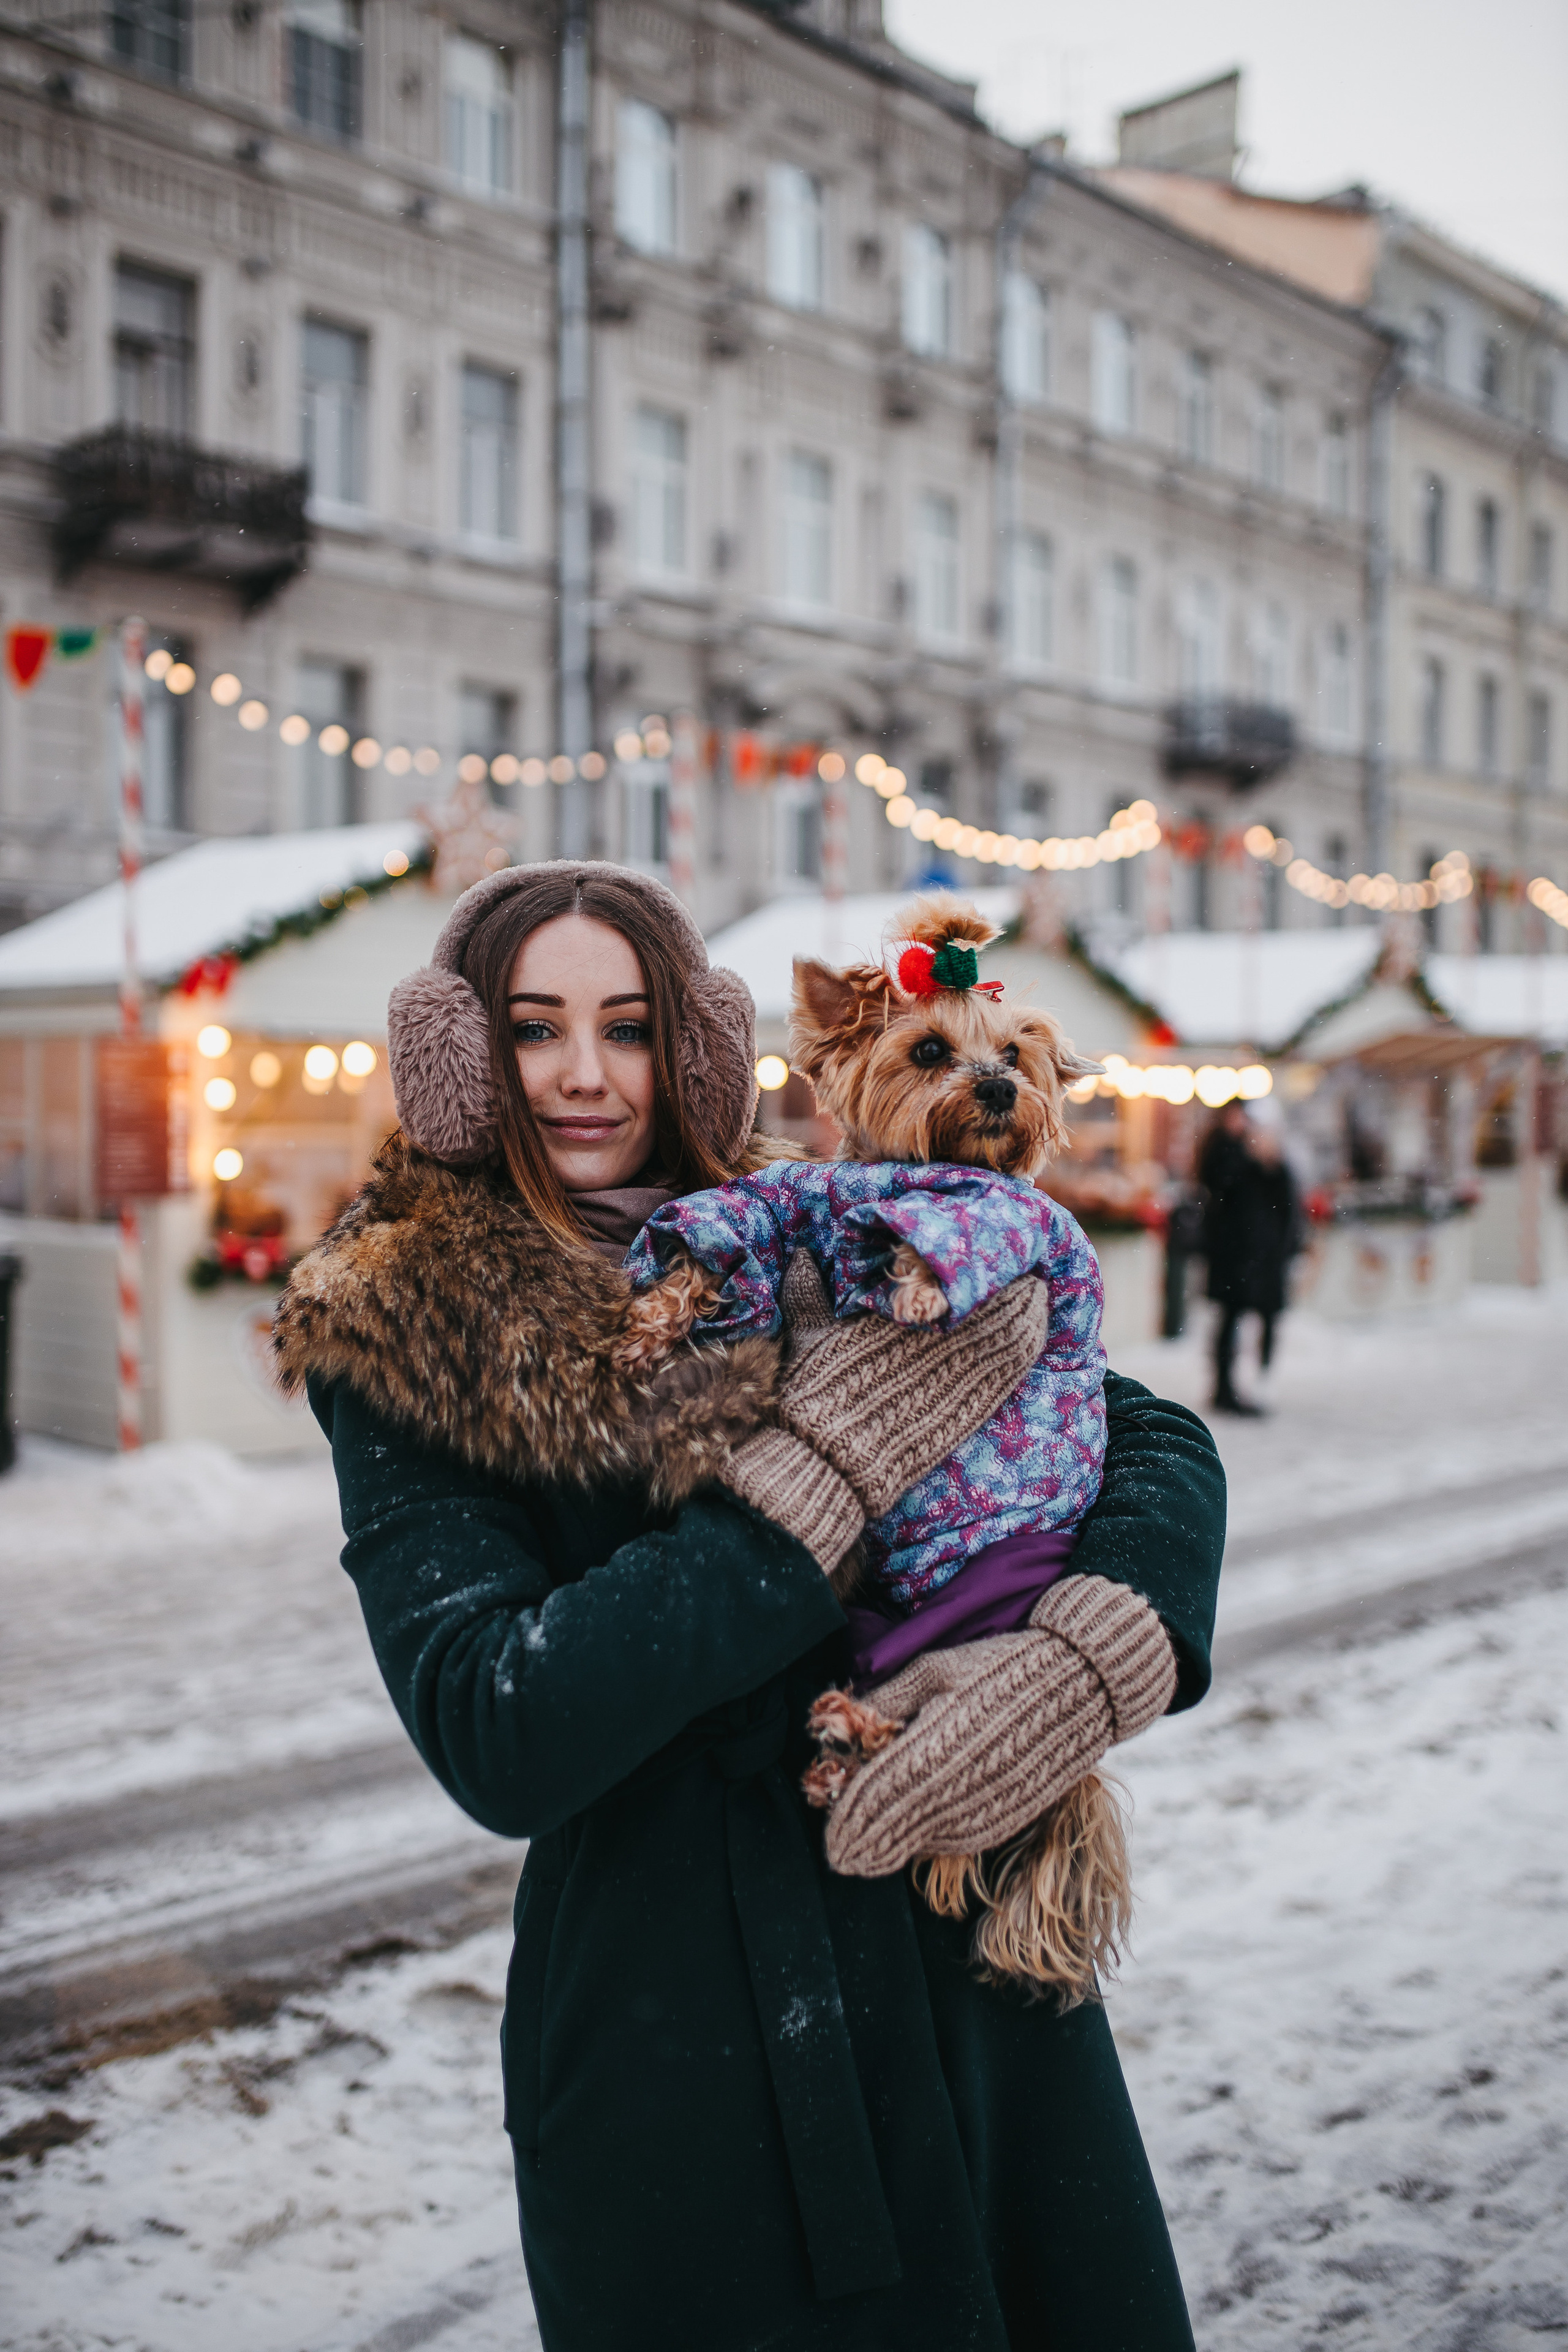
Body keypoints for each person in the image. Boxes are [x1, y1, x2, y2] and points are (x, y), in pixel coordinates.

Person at [274, 861, 1227, 2352]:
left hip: (962, 1958)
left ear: (699, 1047)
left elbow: (1141, 1431)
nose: (586, 1073)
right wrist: (816, 1477)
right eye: (533, 1029)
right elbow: (496, 1717)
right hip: (691, 2045)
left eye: (632, 1026)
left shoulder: (816, 1226)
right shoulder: (405, 1325)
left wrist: (1094, 1647)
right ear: (461, 1058)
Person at [1199, 1099, 1302, 1415]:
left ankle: (1260, 1384)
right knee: (1230, 1322)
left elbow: (1289, 1214)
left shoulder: (1277, 1168)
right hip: (1235, 1260)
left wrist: (1287, 1251)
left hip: (1266, 1262)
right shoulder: (1229, 1158)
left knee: (1266, 1321)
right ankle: (1225, 1389)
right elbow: (1215, 1183)